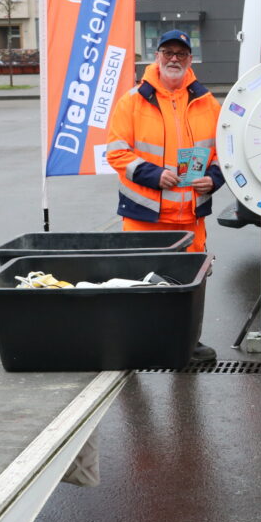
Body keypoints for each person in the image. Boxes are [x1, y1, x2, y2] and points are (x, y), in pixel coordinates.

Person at [106, 30, 224, 362]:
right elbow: (117, 153)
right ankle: (134, 345)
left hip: (190, 215)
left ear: (190, 60)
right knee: (138, 283)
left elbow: (225, 154)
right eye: (167, 52)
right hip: (145, 214)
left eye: (181, 54)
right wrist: (154, 175)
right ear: (156, 56)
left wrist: (213, 179)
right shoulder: (132, 101)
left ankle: (187, 345)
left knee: (191, 285)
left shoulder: (207, 103)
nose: (174, 58)